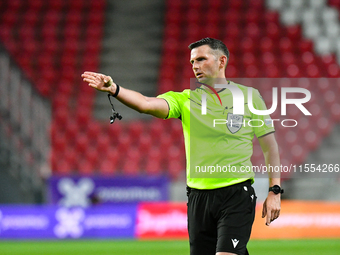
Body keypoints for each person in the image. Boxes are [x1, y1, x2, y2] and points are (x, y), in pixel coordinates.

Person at [82, 37, 282, 255]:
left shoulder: (249, 97)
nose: (195, 66)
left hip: (236, 193)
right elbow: (146, 104)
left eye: (201, 59)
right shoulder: (186, 100)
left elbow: (269, 146)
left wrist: (275, 191)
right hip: (198, 198)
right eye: (192, 62)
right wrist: (115, 89)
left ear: (221, 61)